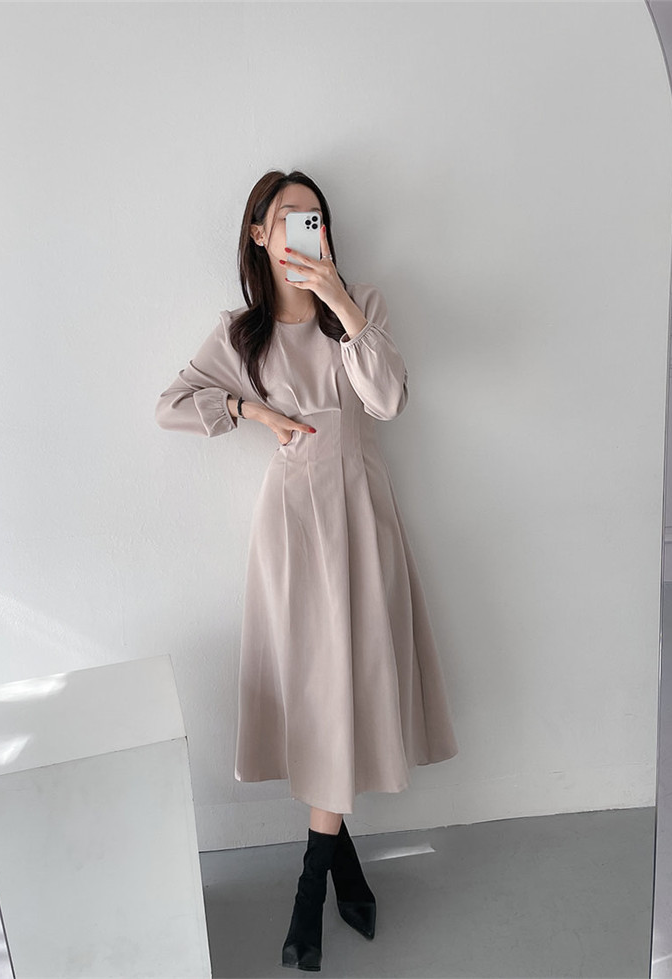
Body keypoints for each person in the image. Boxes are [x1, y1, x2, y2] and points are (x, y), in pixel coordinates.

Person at [155, 169, 458, 972]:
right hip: (292, 522)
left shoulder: (363, 306)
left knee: (349, 681)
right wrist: (249, 409)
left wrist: (341, 302)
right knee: (317, 689)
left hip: (362, 513)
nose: (303, 230)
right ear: (259, 233)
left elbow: (388, 400)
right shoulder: (240, 334)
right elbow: (170, 403)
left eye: (314, 218)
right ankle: (329, 878)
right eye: (288, 218)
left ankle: (312, 887)